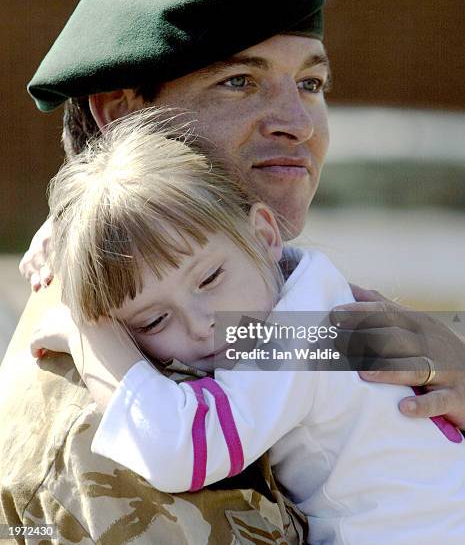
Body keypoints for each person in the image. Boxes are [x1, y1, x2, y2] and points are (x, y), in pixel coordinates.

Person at [1, 0, 464, 542]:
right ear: (118, 114)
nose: (298, 124)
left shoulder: (226, 308)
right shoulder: (117, 400)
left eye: (311, 84)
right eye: (239, 81)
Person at [33, 109, 465, 545]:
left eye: (210, 279)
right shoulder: (310, 289)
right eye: (155, 320)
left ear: (264, 234)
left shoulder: (292, 338)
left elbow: (177, 448)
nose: (202, 325)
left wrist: (88, 335)